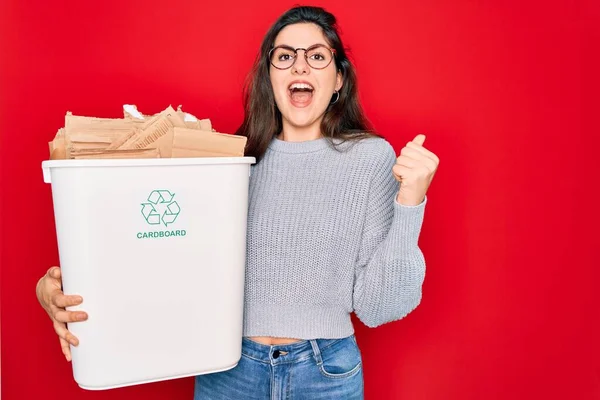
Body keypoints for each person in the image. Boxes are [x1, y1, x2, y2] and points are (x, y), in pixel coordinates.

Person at [36, 5, 439, 399]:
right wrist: (54, 287)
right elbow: (154, 254)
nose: (300, 67)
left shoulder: (371, 160)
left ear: (338, 79)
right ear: (269, 76)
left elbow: (380, 306)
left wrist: (410, 202)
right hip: (227, 369)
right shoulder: (225, 164)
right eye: (285, 56)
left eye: (317, 56)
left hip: (325, 373)